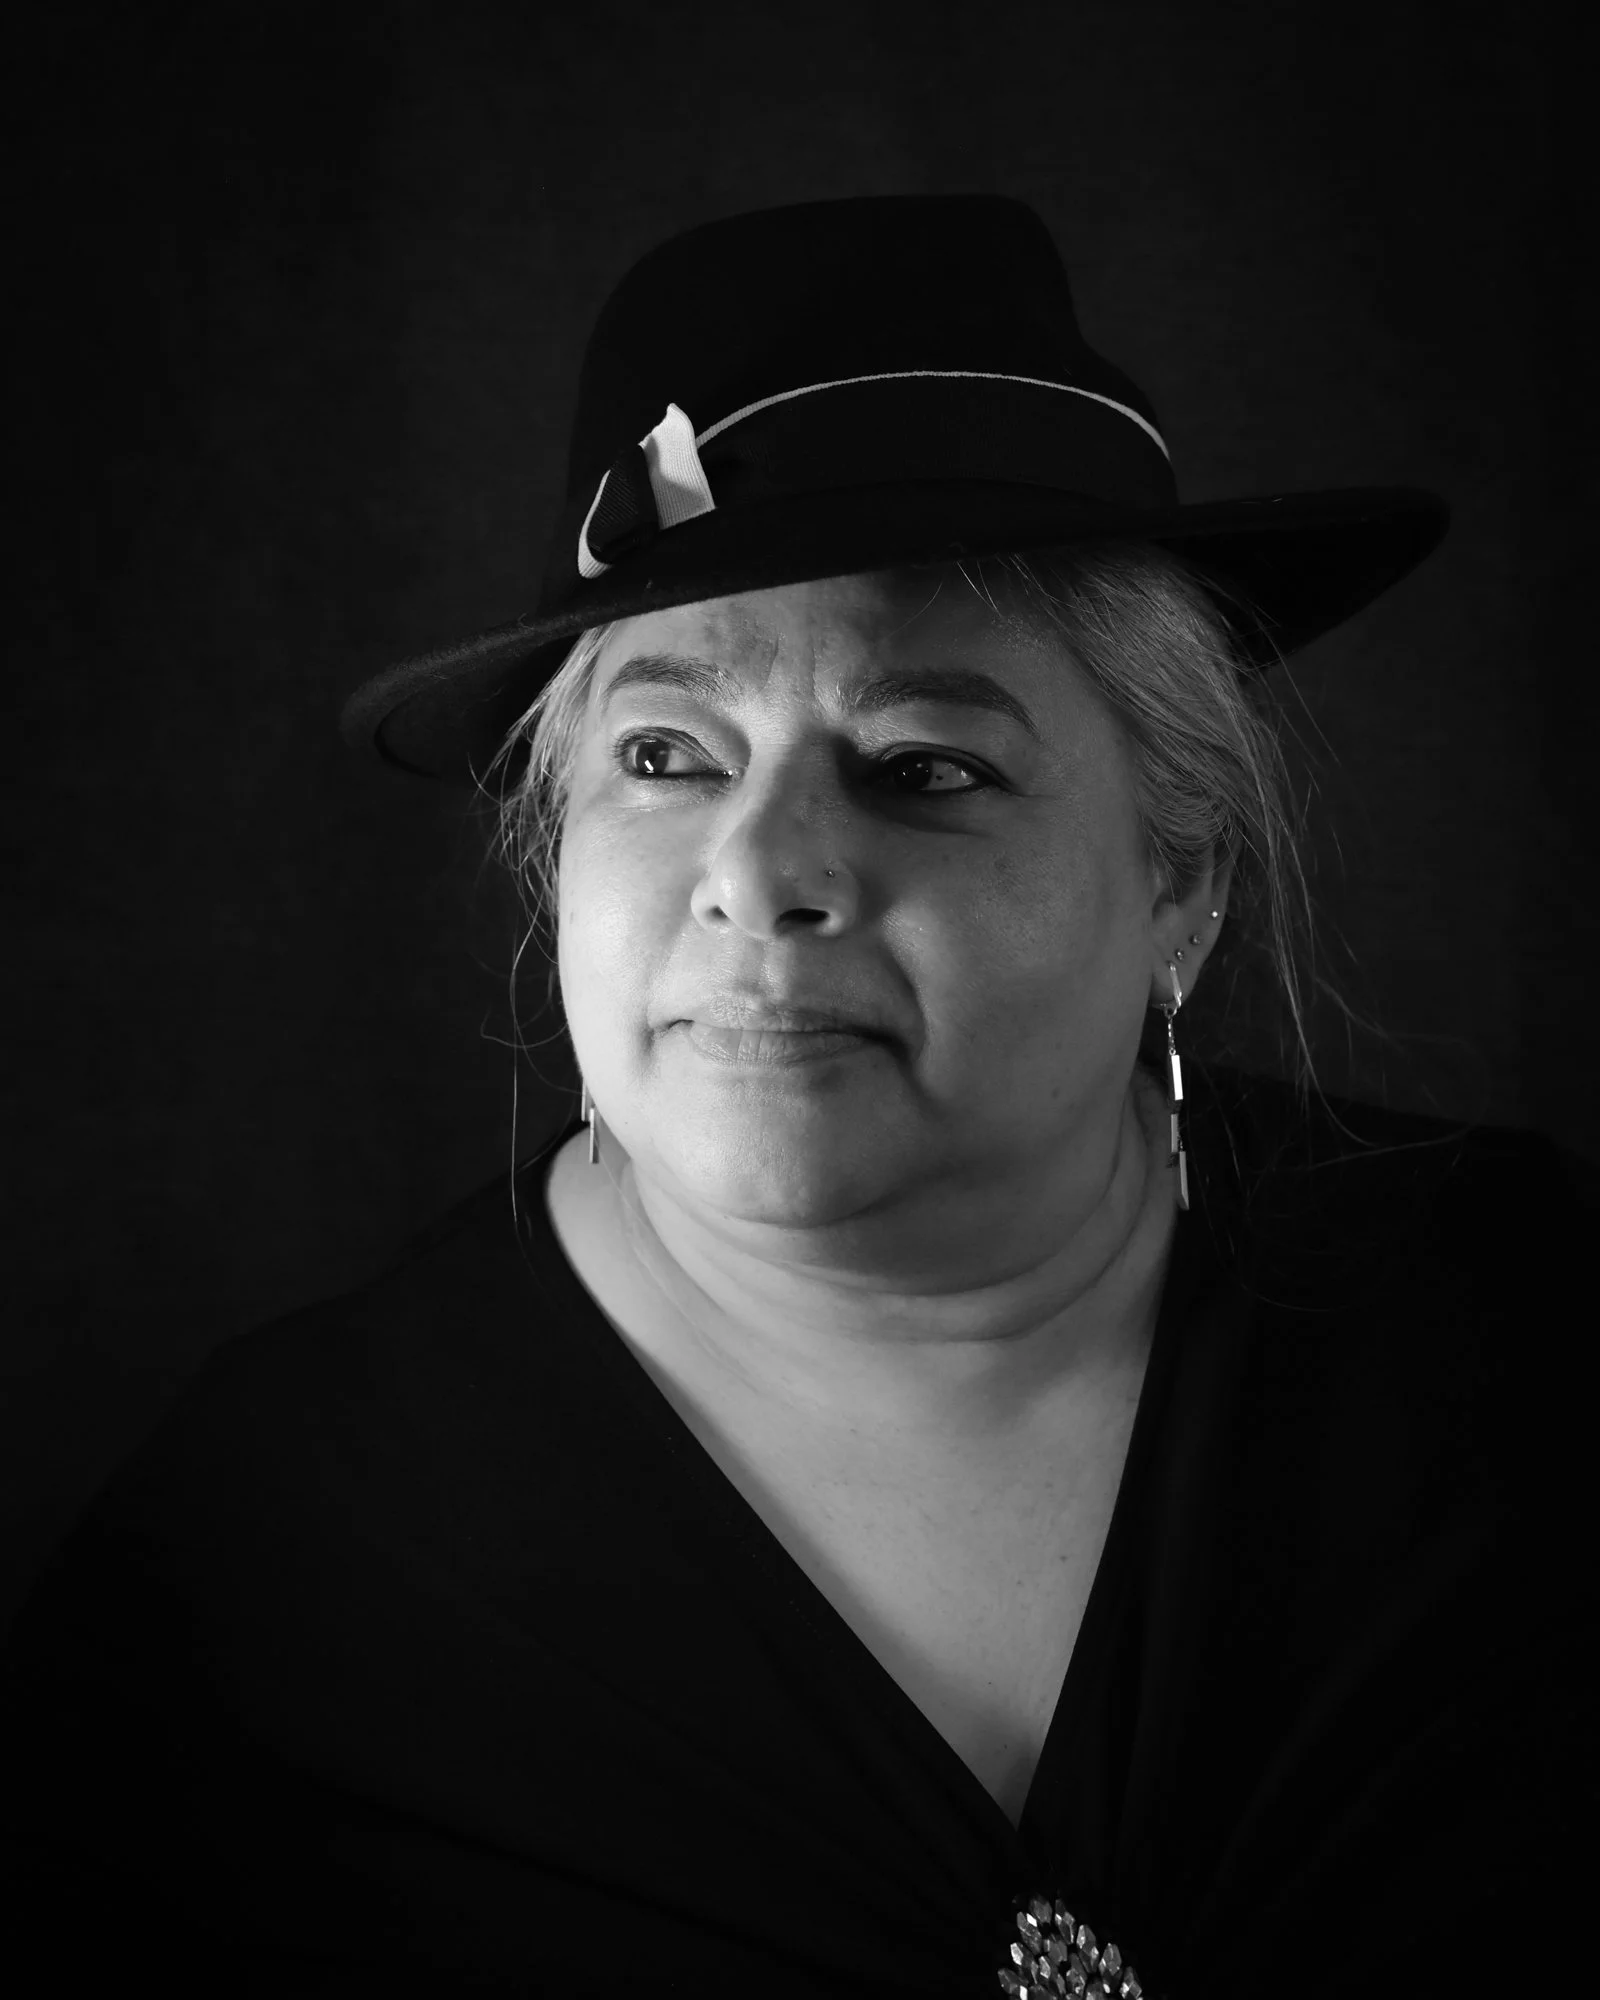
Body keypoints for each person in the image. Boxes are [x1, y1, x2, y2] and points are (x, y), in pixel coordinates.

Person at [2, 196, 1590, 1998]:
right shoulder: (255, 1570)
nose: (761, 872)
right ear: (552, 855)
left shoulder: (1520, 1322)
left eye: (926, 764)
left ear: (1180, 886)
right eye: (667, 756)